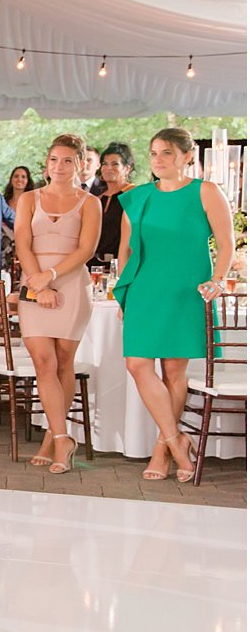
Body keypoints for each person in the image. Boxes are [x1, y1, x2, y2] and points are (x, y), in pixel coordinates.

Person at [115, 128, 235, 483]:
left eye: (166, 153)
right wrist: (124, 293)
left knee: (173, 372)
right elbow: (125, 251)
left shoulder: (206, 192)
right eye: (153, 153)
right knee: (137, 364)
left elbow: (226, 245)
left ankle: (161, 449)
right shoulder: (136, 197)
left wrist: (216, 280)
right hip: (144, 291)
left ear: (187, 156)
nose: (158, 160)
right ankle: (176, 439)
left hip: (186, 290)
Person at [14, 134, 102, 474]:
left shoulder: (89, 203)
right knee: (43, 361)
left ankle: (53, 436)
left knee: (64, 361)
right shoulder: (30, 199)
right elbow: (23, 242)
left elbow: (86, 250)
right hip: (34, 282)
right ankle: (64, 436)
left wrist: (50, 275)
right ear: (46, 163)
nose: (60, 166)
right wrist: (37, 282)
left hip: (71, 284)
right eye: (54, 159)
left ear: (79, 164)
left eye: (67, 160)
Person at [89, 142, 135, 266]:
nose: (109, 168)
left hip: (123, 264)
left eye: (115, 164)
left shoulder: (134, 195)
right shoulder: (97, 199)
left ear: (127, 168)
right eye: (105, 164)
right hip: (95, 266)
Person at [1, 165, 35, 280]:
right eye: (16, 176)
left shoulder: (34, 203)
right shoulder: (2, 202)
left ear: (27, 181)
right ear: (11, 180)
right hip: (5, 252)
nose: (19, 179)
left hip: (26, 250)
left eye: (23, 177)